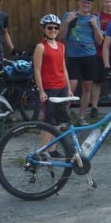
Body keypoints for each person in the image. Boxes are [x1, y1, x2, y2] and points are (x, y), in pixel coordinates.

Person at [58, 0, 104, 123]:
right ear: (79, 2)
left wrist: (95, 26)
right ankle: (64, 116)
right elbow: (60, 37)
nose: (86, 5)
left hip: (89, 57)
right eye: (84, 2)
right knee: (71, 87)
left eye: (89, 3)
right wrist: (66, 22)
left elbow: (100, 41)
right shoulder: (69, 15)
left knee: (87, 87)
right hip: (73, 56)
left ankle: (82, 117)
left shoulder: (94, 18)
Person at [33, 14, 71, 153]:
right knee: (49, 122)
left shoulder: (61, 46)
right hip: (49, 88)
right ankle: (42, 152)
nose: (53, 30)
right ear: (44, 29)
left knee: (59, 121)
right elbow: (37, 70)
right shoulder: (40, 47)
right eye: (50, 28)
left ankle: (52, 150)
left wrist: (69, 88)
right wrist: (41, 90)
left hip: (62, 87)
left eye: (56, 28)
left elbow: (63, 68)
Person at [87, 0, 111, 119]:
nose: (109, 4)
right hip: (99, 54)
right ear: (103, 2)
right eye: (106, 1)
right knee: (97, 82)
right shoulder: (97, 16)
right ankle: (94, 107)